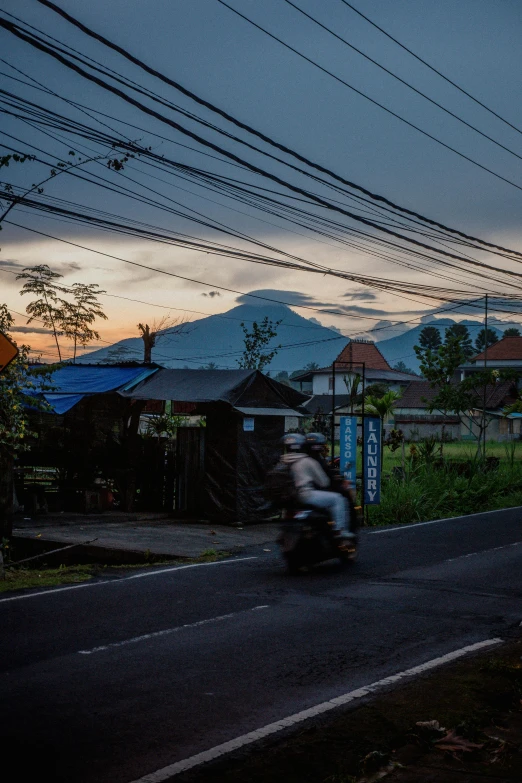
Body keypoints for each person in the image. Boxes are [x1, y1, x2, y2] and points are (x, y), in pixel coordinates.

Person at [281, 432, 354, 540]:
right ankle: (340, 530)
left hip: (290, 498)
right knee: (337, 499)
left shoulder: (282, 461)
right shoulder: (307, 461)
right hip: (305, 494)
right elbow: (324, 482)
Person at [304, 432, 357, 536]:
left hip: (302, 493)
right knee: (338, 499)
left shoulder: (301, 459)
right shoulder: (315, 461)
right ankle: (341, 530)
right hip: (313, 492)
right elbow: (325, 480)